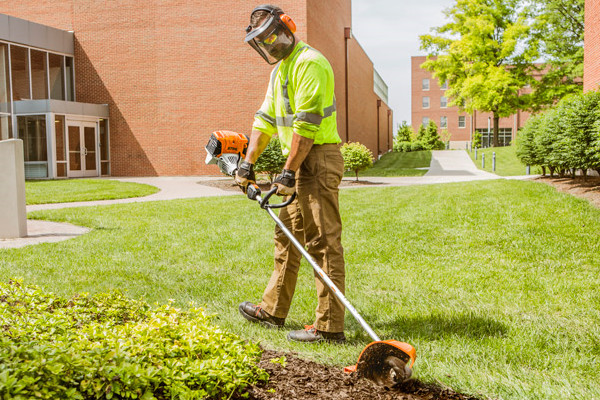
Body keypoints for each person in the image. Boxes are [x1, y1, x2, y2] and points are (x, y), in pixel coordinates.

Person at [235, 4, 346, 343]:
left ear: (287, 27)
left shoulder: (310, 63)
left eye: (272, 36)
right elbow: (265, 120)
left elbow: (306, 125)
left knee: (322, 241)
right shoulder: (280, 70)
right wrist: (247, 163)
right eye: (263, 41)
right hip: (296, 162)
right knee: (287, 236)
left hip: (316, 159)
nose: (270, 45)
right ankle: (273, 311)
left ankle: (329, 327)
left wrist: (287, 173)